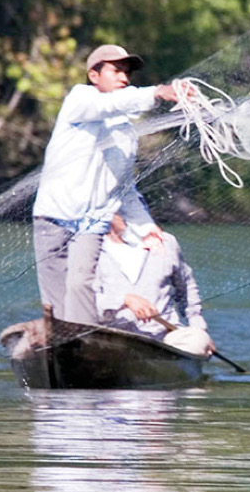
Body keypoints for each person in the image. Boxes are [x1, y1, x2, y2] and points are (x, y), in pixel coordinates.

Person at [32, 44, 184, 324]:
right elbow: (110, 104)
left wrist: (148, 228)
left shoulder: (126, 131)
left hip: (92, 222)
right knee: (55, 299)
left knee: (80, 285)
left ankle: (84, 343)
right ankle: (62, 342)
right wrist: (158, 91)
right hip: (53, 216)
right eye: (116, 71)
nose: (124, 79)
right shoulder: (80, 99)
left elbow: (125, 190)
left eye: (127, 73)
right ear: (94, 75)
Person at [95, 213, 215, 356]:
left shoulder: (166, 242)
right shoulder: (88, 249)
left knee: (197, 339)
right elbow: (82, 299)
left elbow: (186, 286)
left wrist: (198, 327)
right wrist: (124, 300)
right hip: (108, 337)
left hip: (165, 338)